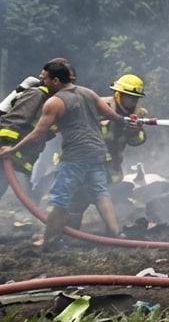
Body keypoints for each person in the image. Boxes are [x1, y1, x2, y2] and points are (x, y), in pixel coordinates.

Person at [0, 60, 133, 248]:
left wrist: (12, 149)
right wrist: (127, 122)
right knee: (101, 192)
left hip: (76, 153)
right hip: (98, 151)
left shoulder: (54, 101)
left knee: (60, 197)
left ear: (55, 80)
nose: (40, 80)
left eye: (44, 78)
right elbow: (111, 114)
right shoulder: (87, 92)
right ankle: (117, 234)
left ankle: (49, 240)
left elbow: (38, 132)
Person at [66, 73, 149, 232]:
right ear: (118, 94)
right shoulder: (98, 106)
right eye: (128, 96)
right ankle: (69, 235)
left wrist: (134, 131)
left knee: (115, 202)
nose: (132, 101)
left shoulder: (138, 114)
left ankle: (113, 236)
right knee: (77, 202)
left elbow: (137, 142)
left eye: (136, 97)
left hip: (111, 167)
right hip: (84, 163)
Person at [0, 70, 54, 203]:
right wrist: (6, 145)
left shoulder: (50, 101)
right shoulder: (37, 95)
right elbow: (12, 123)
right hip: (6, 152)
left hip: (14, 154)